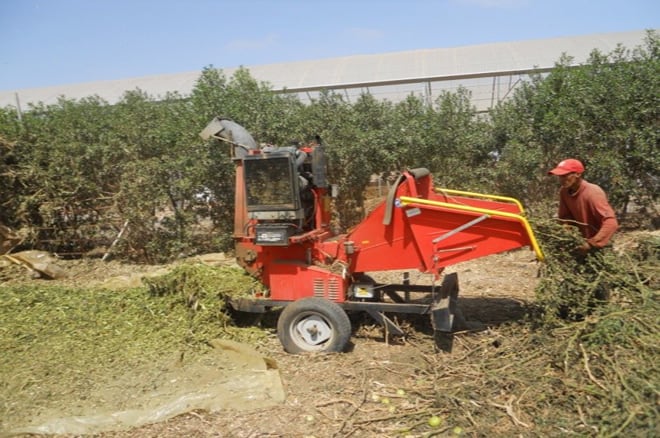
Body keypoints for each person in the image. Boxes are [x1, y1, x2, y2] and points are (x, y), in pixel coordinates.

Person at [548, 158, 618, 255]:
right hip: (580, 244)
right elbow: (565, 218)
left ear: (577, 174)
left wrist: (591, 244)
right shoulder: (564, 192)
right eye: (559, 176)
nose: (561, 180)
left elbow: (611, 222)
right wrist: (566, 234)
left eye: (565, 176)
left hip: (599, 248)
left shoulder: (592, 192)